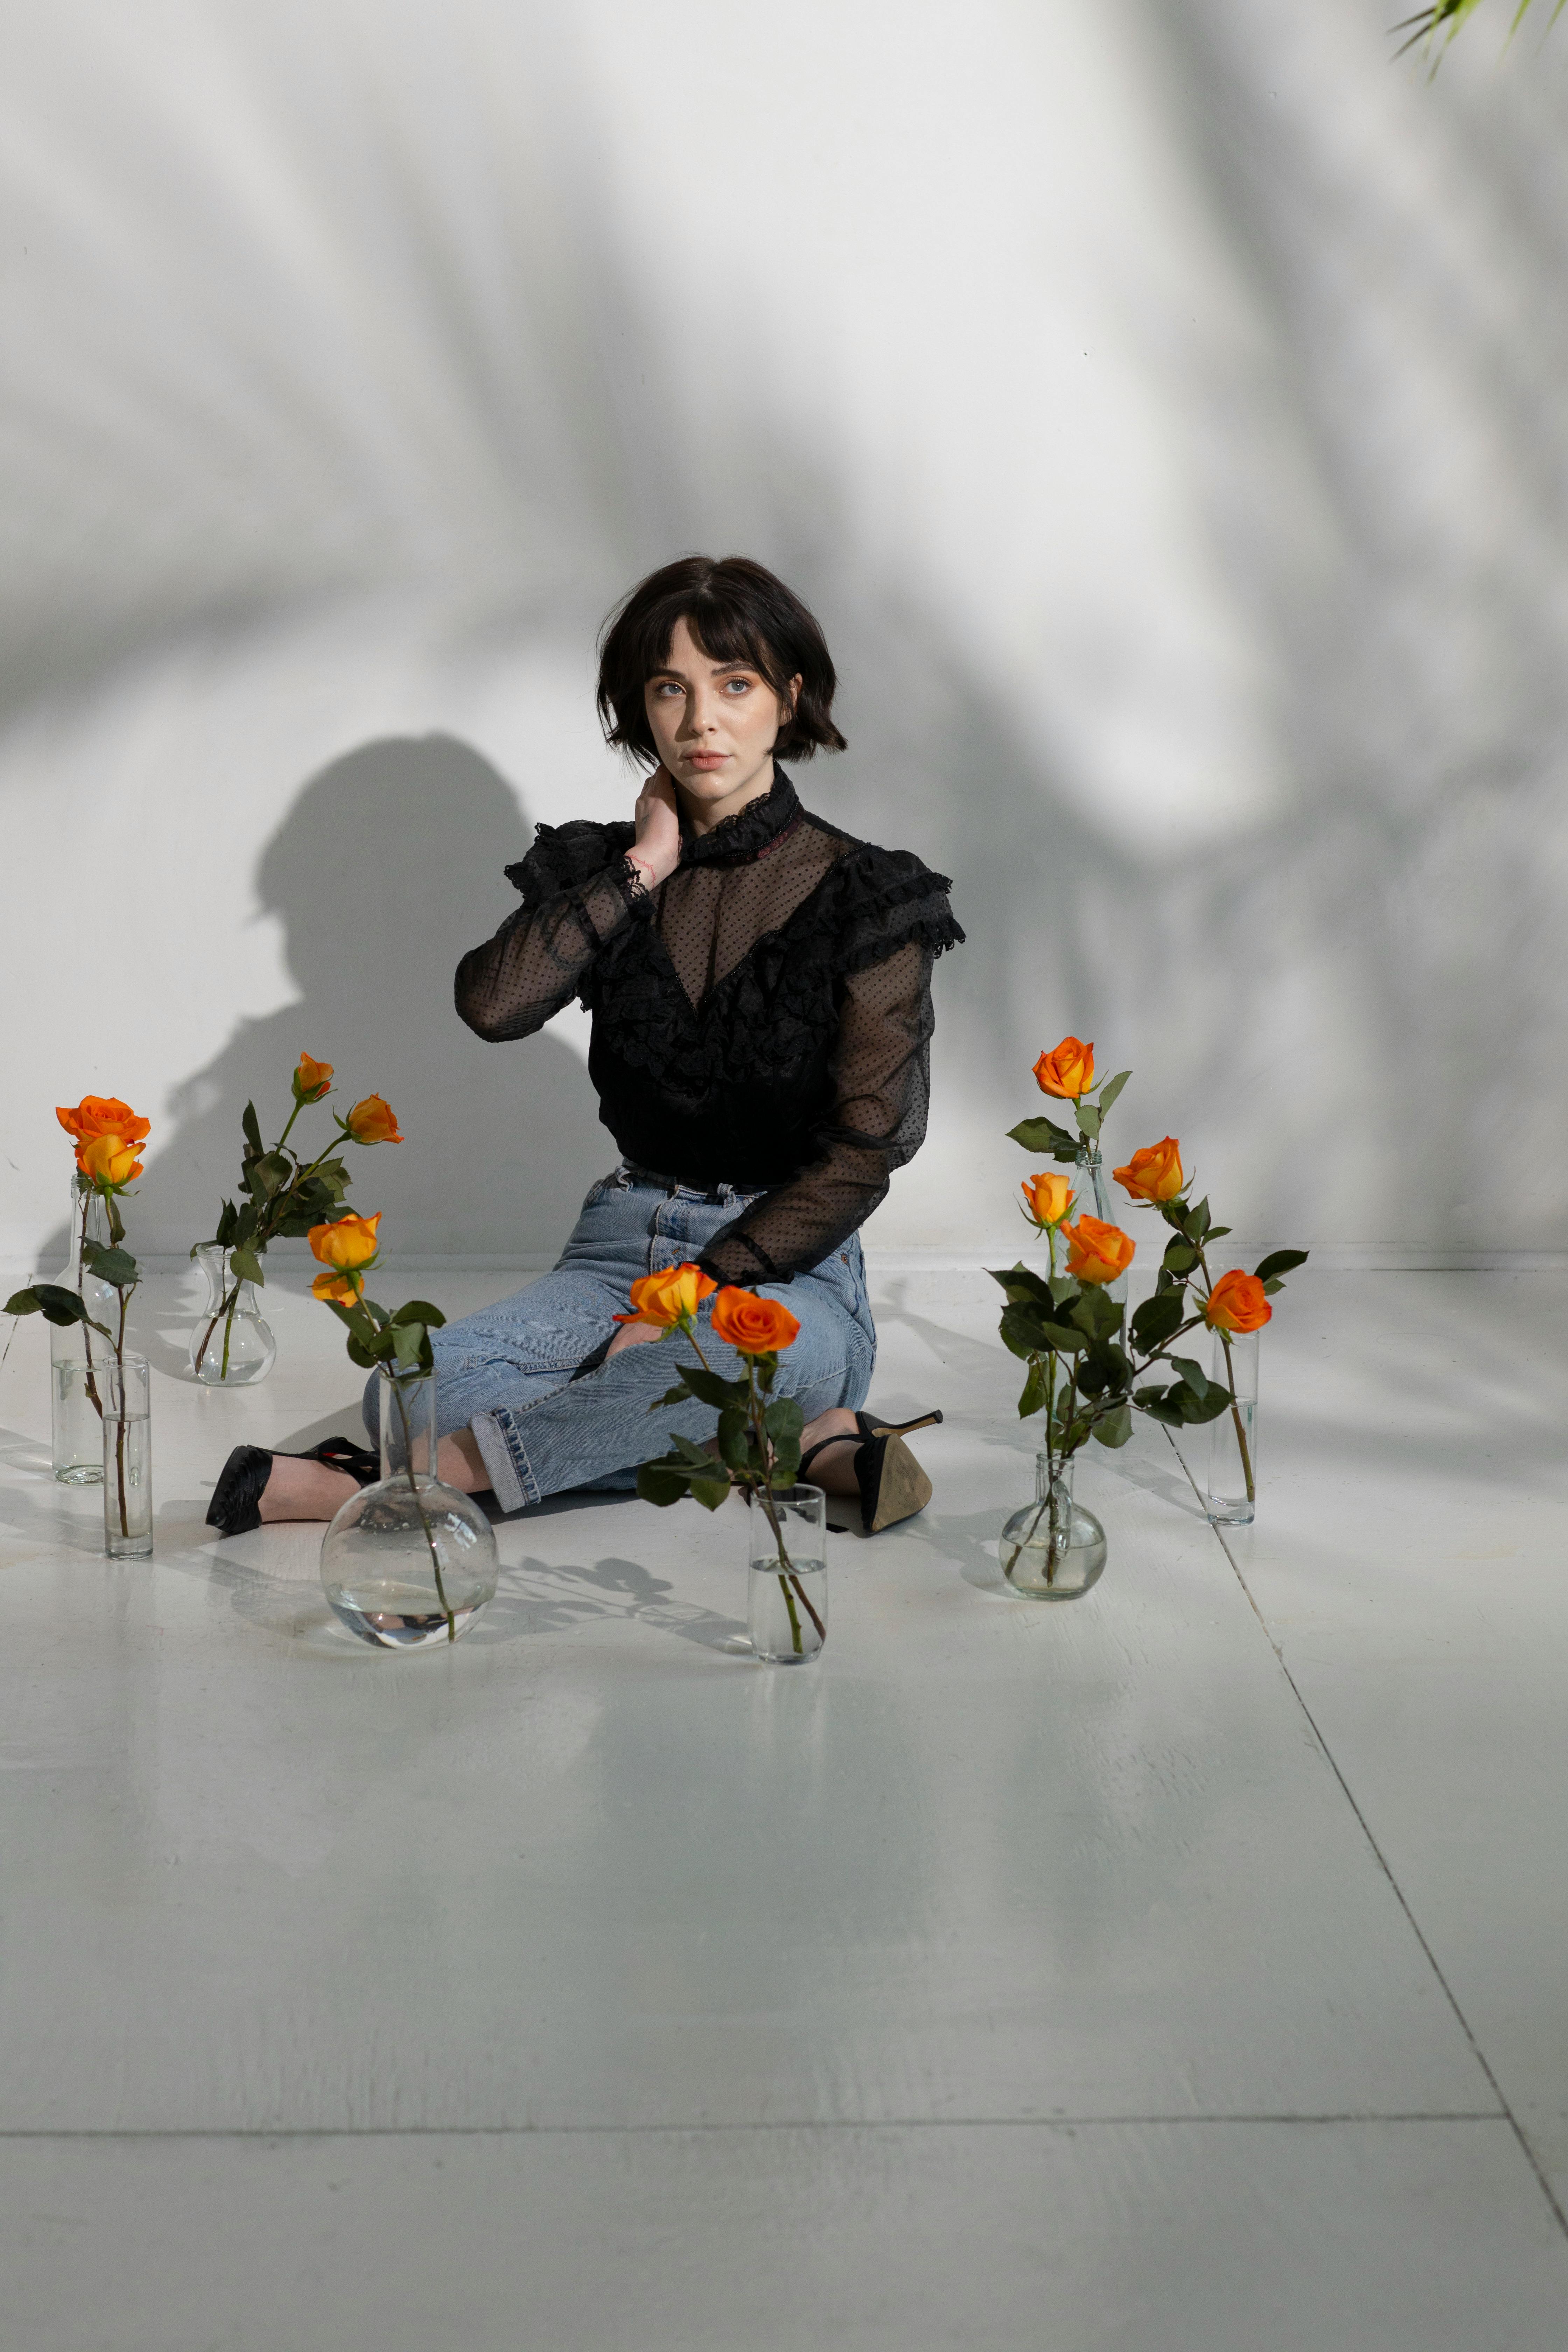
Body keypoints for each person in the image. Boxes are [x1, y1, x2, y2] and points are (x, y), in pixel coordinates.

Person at [208, 556, 962, 1539]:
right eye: (670, 689)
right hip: (619, 1252)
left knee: (726, 1367)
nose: (701, 721)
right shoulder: (605, 875)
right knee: (414, 1387)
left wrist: (697, 1293)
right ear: (640, 709)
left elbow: (866, 1153)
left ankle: (398, 1484)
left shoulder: (871, 895)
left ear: (791, 697)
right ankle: (797, 1445)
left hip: (786, 1271)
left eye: (734, 685)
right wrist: (644, 866)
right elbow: (492, 1006)